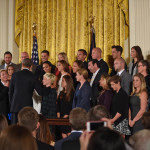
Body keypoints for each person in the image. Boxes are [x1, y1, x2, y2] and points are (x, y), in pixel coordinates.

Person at [9, 58, 41, 124]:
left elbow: (10, 92)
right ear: (31, 66)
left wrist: (11, 105)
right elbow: (40, 91)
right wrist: (50, 87)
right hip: (27, 107)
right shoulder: (33, 76)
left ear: (22, 65)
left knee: (15, 129)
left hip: (15, 107)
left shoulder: (15, 75)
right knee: (26, 127)